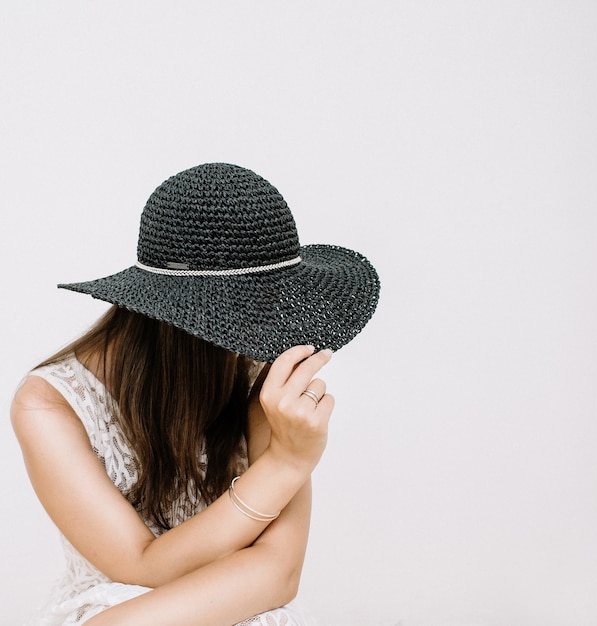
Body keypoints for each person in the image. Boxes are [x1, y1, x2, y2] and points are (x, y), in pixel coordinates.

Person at [11, 163, 380, 626]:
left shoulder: (261, 374)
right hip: (123, 603)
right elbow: (139, 567)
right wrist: (288, 462)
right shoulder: (51, 404)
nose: (273, 324)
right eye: (256, 304)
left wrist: (291, 459)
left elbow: (280, 573)